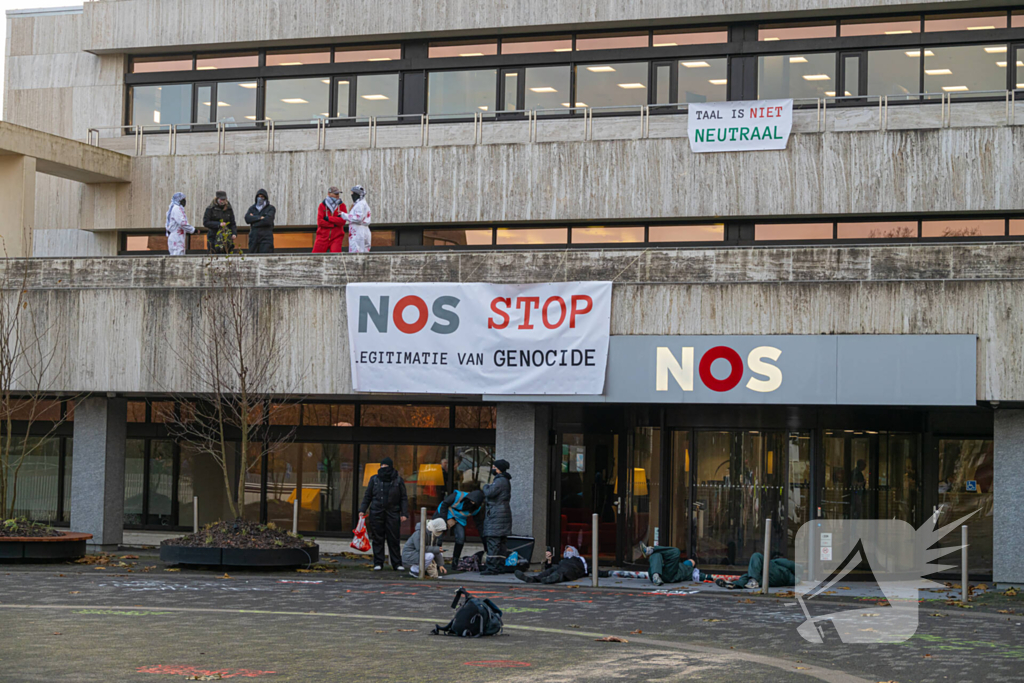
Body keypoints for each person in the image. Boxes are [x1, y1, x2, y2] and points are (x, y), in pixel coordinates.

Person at [358, 457, 409, 571]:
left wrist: (404, 513)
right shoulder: (374, 479)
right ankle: (378, 563)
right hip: (377, 512)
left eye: (386, 466)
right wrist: (362, 509)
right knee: (377, 538)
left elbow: (403, 498)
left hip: (393, 512)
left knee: (394, 539)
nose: (383, 469)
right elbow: (368, 496)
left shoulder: (398, 480)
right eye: (382, 467)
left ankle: (397, 563)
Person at [435, 489, 484, 566]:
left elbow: (479, 524)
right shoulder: (457, 496)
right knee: (438, 536)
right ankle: (436, 560)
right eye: (471, 501)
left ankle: (455, 561)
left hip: (459, 519)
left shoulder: (477, 509)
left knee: (460, 538)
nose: (471, 503)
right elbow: (444, 505)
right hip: (443, 513)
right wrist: (445, 522)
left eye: (474, 503)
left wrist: (484, 540)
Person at [480, 459, 512, 576]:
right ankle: (499, 566)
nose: (492, 468)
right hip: (502, 514)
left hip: (496, 515)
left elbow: (489, 493)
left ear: (498, 469)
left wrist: (485, 486)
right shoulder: (505, 480)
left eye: (494, 466)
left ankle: (492, 568)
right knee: (501, 542)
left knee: (493, 541)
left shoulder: (499, 481)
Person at [718, 552, 796, 590]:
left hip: (782, 575)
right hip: (776, 580)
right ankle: (735, 584)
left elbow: (793, 566)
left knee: (756, 555)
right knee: (749, 576)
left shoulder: (777, 563)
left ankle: (752, 581)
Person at [514, 546, 588, 584]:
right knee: (553, 569)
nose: (567, 551)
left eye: (570, 550)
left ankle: (550, 579)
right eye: (566, 550)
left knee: (562, 571)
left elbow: (592, 570)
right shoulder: (563, 561)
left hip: (572, 571)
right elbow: (549, 569)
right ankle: (533, 579)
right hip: (563, 569)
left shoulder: (580, 560)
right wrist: (549, 561)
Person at [313, 186, 347, 253]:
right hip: (322, 237)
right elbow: (320, 222)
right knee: (316, 257)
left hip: (337, 237)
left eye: (338, 193)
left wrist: (329, 218)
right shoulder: (322, 205)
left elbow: (342, 221)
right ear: (329, 194)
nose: (337, 195)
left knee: (336, 258)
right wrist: (334, 224)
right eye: (335, 194)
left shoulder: (342, 206)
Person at [340, 185, 371, 253]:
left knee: (356, 251)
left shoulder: (360, 204)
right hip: (363, 230)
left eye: (353, 193)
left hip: (357, 231)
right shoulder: (363, 204)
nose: (352, 195)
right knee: (364, 252)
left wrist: (344, 215)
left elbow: (358, 218)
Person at [244, 188, 276, 254]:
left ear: (265, 198)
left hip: (266, 239)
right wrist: (260, 217)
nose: (260, 198)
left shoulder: (270, 208)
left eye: (262, 197)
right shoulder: (252, 208)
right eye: (258, 196)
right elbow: (247, 218)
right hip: (254, 239)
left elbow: (268, 221)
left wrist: (254, 221)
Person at [165, 192, 195, 256]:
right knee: (178, 255)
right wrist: (192, 230)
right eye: (183, 200)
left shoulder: (172, 208)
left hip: (175, 236)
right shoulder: (177, 209)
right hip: (176, 237)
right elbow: (182, 223)